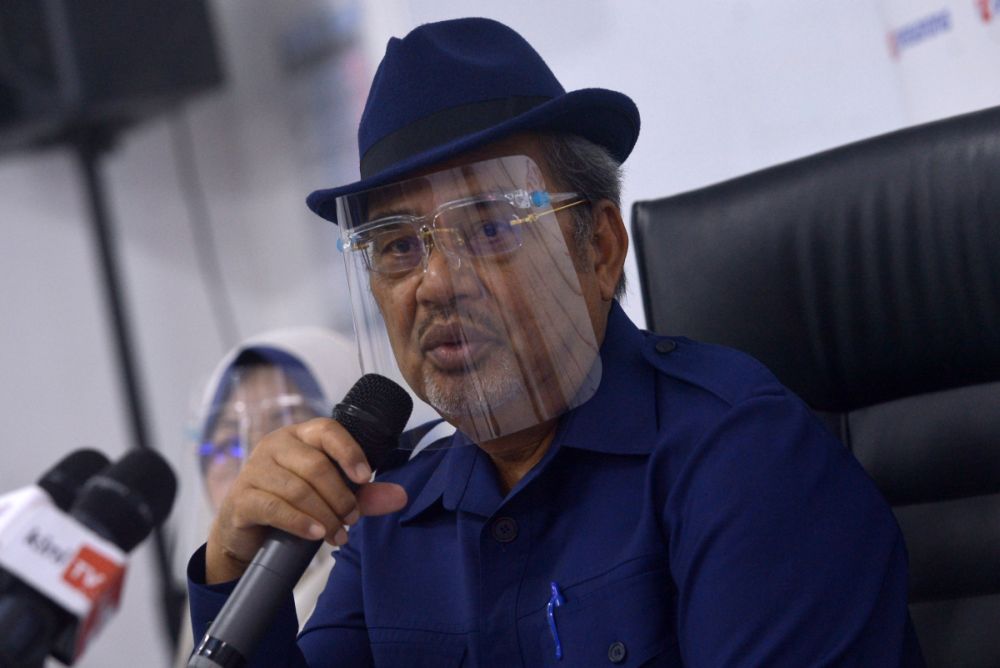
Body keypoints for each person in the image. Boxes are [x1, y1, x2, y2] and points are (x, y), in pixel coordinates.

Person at [188, 18, 925, 666]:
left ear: (599, 249)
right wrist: (231, 566)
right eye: (396, 246)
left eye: (488, 228)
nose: (436, 282)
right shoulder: (393, 509)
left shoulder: (738, 458)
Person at [174, 327, 360, 666]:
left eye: (282, 432)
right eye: (229, 443)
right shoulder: (208, 599)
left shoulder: (379, 593)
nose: (252, 464)